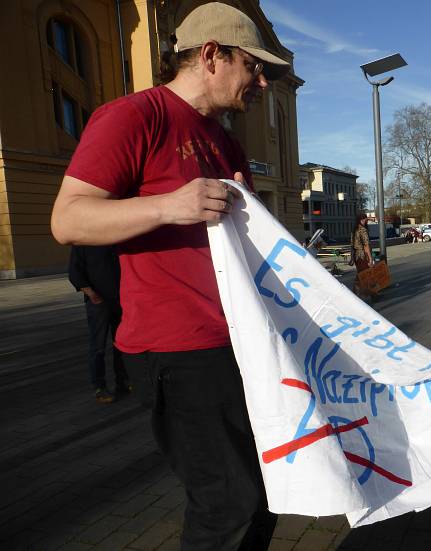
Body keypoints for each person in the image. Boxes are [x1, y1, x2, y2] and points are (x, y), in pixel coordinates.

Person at [50, 3, 290, 549]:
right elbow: (67, 219)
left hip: (239, 341)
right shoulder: (133, 116)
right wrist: (167, 206)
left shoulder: (225, 140)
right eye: (253, 66)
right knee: (227, 503)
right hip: (178, 350)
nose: (261, 82)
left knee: (268, 491)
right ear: (212, 55)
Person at [68, 245, 130, 403]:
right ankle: (99, 387)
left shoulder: (115, 239)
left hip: (120, 300)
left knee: (121, 345)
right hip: (98, 302)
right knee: (98, 347)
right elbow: (75, 271)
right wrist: (91, 293)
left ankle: (123, 382)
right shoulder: (82, 242)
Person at [350, 212, 375, 297]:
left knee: (361, 273)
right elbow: (366, 245)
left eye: (365, 219)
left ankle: (369, 292)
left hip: (356, 256)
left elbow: (352, 244)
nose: (365, 221)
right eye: (364, 219)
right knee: (366, 274)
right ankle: (370, 293)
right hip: (363, 255)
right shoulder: (363, 230)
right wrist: (370, 259)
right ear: (360, 220)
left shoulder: (354, 230)